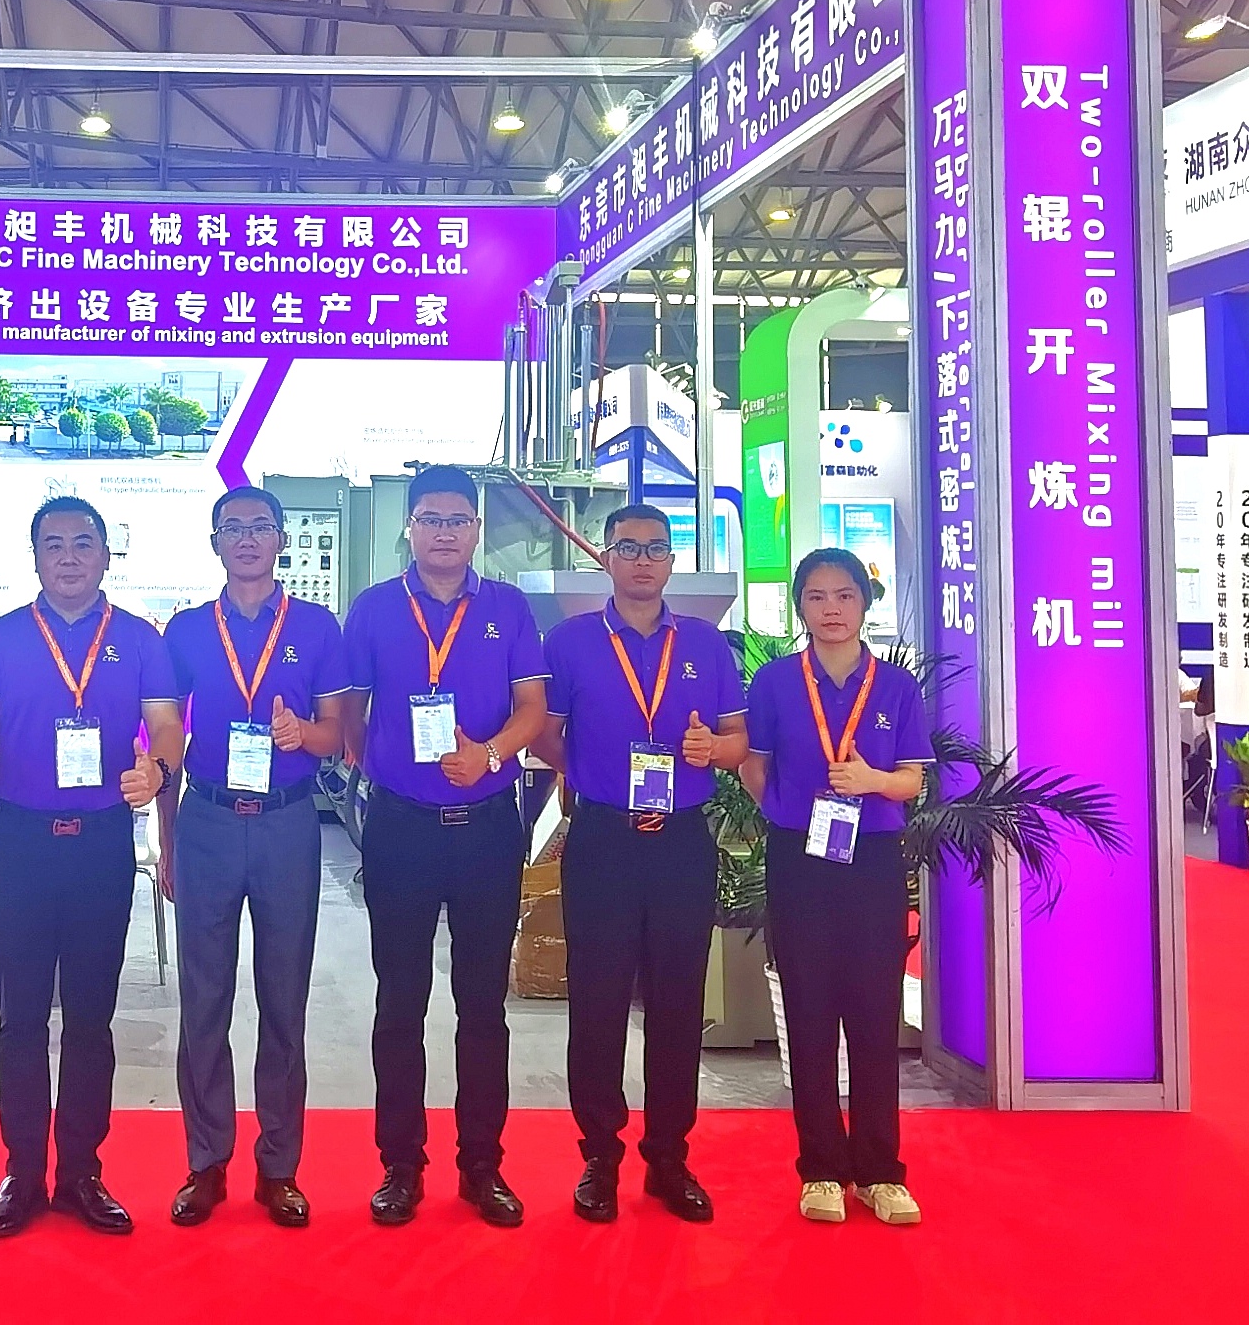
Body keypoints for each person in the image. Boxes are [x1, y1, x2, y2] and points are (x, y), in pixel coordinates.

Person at [0, 496, 184, 1238]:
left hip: (101, 842)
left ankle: (82, 1171)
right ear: (36, 557)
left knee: (90, 1018)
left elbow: (167, 727)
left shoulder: (140, 639)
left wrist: (158, 771)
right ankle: (22, 1172)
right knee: (20, 1019)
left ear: (106, 556)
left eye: (84, 543)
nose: (70, 556)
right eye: (54, 544)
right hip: (21, 841)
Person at [339, 462, 547, 1229]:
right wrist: (380, 765)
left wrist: (488, 755)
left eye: (458, 519)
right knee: (399, 1002)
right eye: (430, 518)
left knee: (482, 1005)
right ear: (410, 527)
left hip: (487, 826)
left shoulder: (508, 608)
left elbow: (533, 709)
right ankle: (401, 1165)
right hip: (401, 830)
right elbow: (352, 713)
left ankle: (482, 1165)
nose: (445, 533)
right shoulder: (373, 609)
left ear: (477, 530)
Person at [537, 503, 747, 1226]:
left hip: (682, 841)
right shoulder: (570, 641)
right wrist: (589, 773)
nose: (643, 560)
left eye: (656, 548)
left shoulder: (706, 645)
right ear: (606, 558)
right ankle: (599, 1156)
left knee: (678, 1003)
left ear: (672, 561)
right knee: (597, 1003)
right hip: (604, 841)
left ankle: (669, 1157)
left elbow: (737, 740)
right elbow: (545, 733)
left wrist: (711, 752)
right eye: (628, 548)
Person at [161, 485, 348, 1230]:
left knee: (284, 998)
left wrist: (304, 734)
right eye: (232, 528)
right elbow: (165, 740)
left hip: (286, 825)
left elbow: (339, 734)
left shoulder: (317, 627)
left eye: (260, 527)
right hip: (206, 820)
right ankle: (206, 1163)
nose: (246, 539)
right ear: (215, 542)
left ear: (282, 541)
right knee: (203, 1000)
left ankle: (279, 1168)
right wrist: (168, 840)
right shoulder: (185, 631)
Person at [740, 547, 932, 1228]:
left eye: (844, 595)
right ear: (800, 606)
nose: (831, 609)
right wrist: (785, 813)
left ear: (864, 603)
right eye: (816, 596)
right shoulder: (774, 682)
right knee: (810, 1014)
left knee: (876, 1017)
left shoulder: (897, 687)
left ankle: (880, 1171)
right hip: (800, 859)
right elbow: (754, 766)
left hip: (873, 859)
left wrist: (872, 781)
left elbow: (913, 780)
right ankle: (820, 1167)